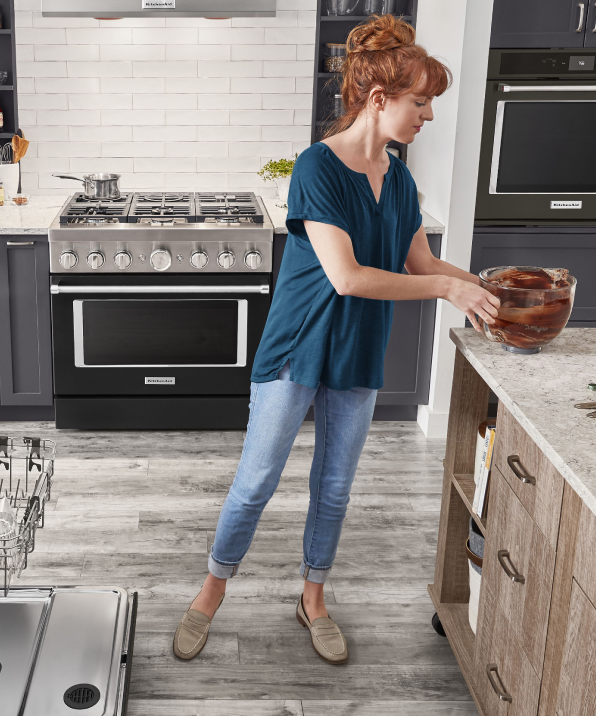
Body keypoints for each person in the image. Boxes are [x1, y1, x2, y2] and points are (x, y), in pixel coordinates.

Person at [172, 15, 501, 664]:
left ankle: (313, 598)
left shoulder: (402, 181)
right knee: (257, 480)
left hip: (356, 353)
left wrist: (489, 287)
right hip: (296, 347)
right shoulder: (316, 168)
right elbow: (346, 278)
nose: (428, 114)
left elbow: (424, 267)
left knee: (335, 488)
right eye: (420, 101)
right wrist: (448, 293)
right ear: (380, 101)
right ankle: (211, 591)